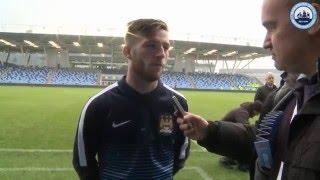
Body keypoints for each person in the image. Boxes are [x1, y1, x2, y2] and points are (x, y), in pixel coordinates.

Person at [177, 0, 320, 179]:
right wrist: (210, 131)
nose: (265, 43)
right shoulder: (286, 97)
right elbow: (262, 140)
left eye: (272, 27)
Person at [73, 19, 190, 180]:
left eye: (166, 47)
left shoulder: (178, 103)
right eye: (151, 45)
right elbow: (83, 163)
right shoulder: (99, 104)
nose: (162, 54)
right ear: (127, 52)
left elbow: (180, 155)